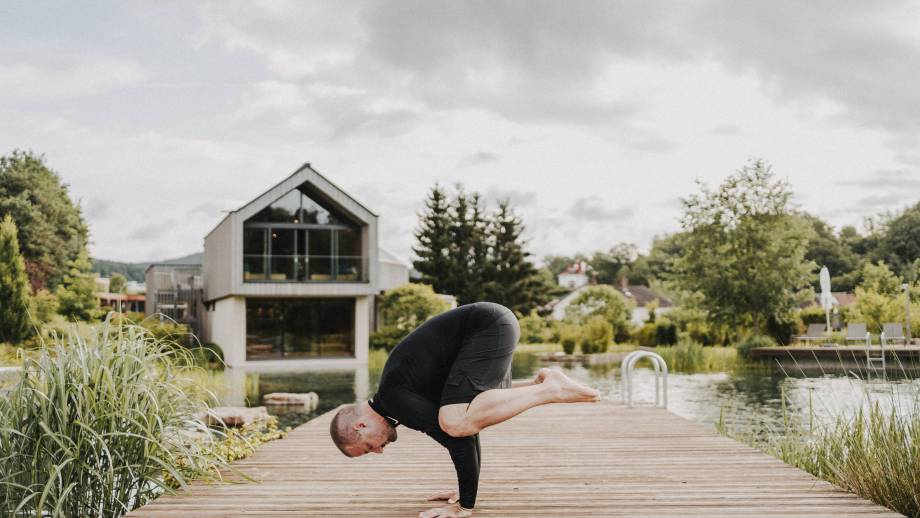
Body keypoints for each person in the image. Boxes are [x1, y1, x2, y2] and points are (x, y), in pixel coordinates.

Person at [329, 302, 600, 518]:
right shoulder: (396, 398)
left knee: (456, 422)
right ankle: (541, 383)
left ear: (360, 426)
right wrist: (464, 492)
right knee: (464, 417)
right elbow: (466, 436)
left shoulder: (394, 398)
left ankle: (550, 389)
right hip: (492, 323)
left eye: (367, 448)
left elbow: (459, 438)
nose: (377, 451)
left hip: (485, 326)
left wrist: (464, 508)